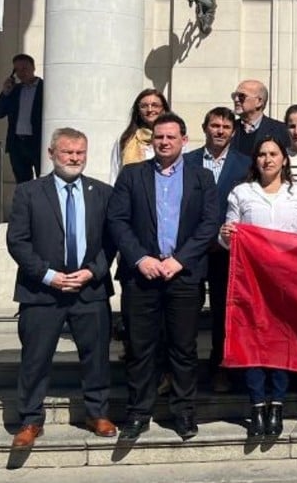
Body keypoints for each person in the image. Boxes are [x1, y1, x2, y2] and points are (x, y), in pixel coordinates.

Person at [108, 114, 222, 443]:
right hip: (141, 275)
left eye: (171, 137)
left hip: (183, 276)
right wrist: (140, 258)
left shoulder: (202, 177)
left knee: (183, 347)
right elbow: (117, 220)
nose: (164, 142)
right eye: (159, 137)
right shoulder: (132, 175)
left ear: (184, 140)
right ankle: (138, 412)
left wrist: (180, 260)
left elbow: (209, 223)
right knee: (140, 347)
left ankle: (184, 412)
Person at [6, 128, 116, 449]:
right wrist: (47, 275)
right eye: (68, 152)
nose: (74, 158)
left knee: (96, 356)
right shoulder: (28, 192)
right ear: (52, 153)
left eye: (80, 152)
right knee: (35, 358)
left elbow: (112, 241)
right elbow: (18, 241)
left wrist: (92, 271)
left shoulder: (103, 193)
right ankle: (30, 419)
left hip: (90, 290)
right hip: (42, 292)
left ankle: (97, 413)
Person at [218, 136, 297, 438]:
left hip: (288, 282)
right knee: (252, 339)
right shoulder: (241, 192)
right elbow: (228, 239)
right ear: (255, 160)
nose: (268, 159)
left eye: (274, 154)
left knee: (282, 341)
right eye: (262, 154)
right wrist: (226, 235)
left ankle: (277, 404)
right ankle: (257, 404)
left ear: (284, 159)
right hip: (252, 282)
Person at [184, 107, 252, 393]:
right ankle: (182, 373)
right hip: (191, 251)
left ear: (233, 132)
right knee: (186, 313)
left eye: (226, 127)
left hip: (226, 252)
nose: (220, 131)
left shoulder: (244, 164)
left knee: (224, 313)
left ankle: (220, 368)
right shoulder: (187, 161)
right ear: (204, 128)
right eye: (215, 126)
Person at [0, 53, 44, 183]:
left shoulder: (45, 88)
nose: (21, 73)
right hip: (17, 144)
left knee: (43, 181)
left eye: (25, 68)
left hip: (38, 143)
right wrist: (5, 92)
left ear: (33, 68)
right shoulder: (14, 90)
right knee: (22, 183)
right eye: (17, 70)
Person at [110, 88, 169, 181]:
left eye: (155, 105)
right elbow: (115, 174)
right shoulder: (125, 138)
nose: (150, 109)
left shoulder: (173, 138)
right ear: (138, 111)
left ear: (163, 109)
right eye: (144, 106)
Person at [231, 79, 290, 158]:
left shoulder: (281, 130)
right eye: (234, 96)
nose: (236, 100)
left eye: (241, 96)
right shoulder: (229, 128)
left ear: (259, 102)